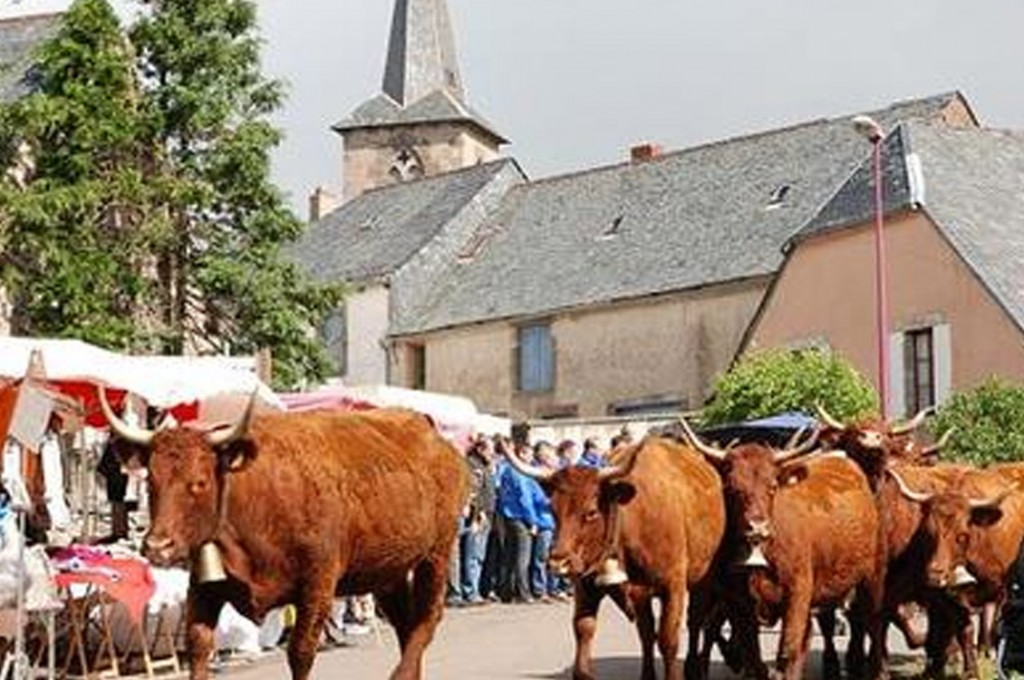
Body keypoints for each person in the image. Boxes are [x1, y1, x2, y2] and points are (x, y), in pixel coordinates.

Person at [496, 441, 546, 603]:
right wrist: (532, 521)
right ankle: (523, 593)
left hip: (509, 516)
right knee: (522, 557)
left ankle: (506, 592)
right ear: (522, 454)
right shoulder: (519, 472)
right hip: (520, 517)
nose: (532, 457)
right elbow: (525, 500)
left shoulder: (509, 470)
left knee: (509, 556)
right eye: (529, 453)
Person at [459, 435, 496, 605]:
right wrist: (479, 513)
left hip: (487, 514)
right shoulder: (473, 466)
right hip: (478, 516)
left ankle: (475, 589)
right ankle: (470, 591)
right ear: (480, 449)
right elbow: (473, 492)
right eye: (490, 450)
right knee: (472, 555)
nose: (492, 454)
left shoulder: (486, 466)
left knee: (479, 556)